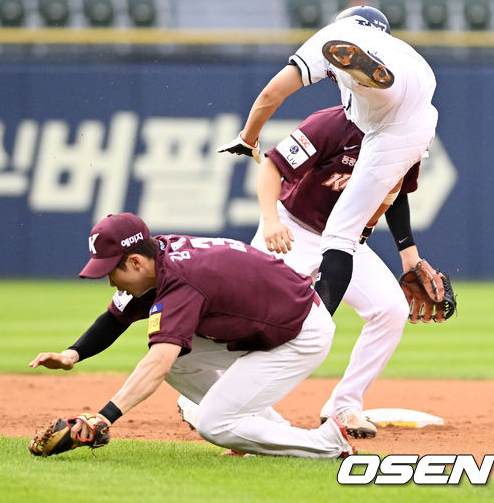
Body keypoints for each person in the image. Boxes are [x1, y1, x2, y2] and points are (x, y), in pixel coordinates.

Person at [181, 105, 424, 439]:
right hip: (293, 230)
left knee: (391, 309)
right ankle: (205, 397)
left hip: (348, 239)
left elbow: (395, 193)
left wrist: (409, 257)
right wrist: (271, 219)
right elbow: (272, 165)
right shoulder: (331, 124)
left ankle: (344, 405)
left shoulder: (408, 136)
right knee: (258, 320)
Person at [29, 212, 354, 458]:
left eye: (110, 271)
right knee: (182, 358)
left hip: (298, 332)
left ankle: (326, 443)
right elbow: (114, 319)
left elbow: (158, 364)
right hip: (266, 320)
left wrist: (104, 417)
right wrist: (73, 354)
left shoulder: (180, 280)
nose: (110, 281)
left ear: (135, 261)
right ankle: (266, 431)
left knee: (213, 424)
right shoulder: (158, 256)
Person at [217, 5, 438, 323]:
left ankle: (367, 78)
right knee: (357, 255)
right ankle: (373, 77)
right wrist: (408, 255)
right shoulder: (397, 52)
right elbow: (395, 188)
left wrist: (248, 137)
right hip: (418, 108)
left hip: (383, 108)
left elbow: (270, 94)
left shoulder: (333, 40)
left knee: (339, 236)